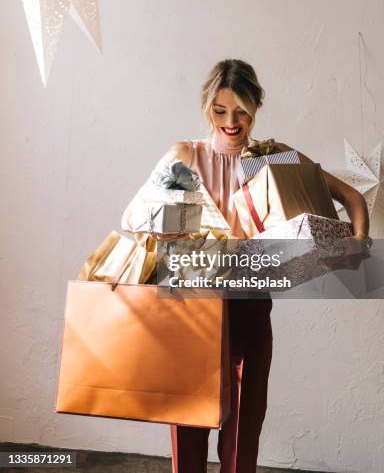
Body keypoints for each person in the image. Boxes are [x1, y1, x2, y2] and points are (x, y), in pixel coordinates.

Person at [149, 59, 370, 473]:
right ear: (206, 107)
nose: (231, 122)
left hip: (249, 308)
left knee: (242, 440)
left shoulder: (273, 158)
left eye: (242, 111)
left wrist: (358, 244)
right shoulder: (186, 156)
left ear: (257, 106)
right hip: (191, 309)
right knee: (187, 434)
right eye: (220, 110)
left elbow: (351, 199)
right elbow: (148, 228)